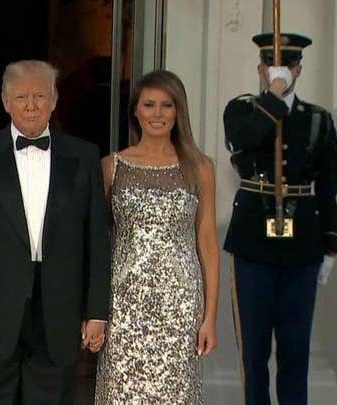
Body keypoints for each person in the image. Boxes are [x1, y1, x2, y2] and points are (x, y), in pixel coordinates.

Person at [0, 59, 111, 405]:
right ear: (5, 102)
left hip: (58, 313)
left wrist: (96, 311)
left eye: (39, 96)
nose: (31, 105)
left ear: (55, 99)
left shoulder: (84, 155)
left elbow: (96, 238)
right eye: (21, 97)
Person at [223, 33, 337, 405]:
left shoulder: (319, 120)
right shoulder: (242, 110)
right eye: (272, 66)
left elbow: (330, 185)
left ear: (298, 69)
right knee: (253, 351)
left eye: (287, 66)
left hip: (303, 241)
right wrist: (273, 94)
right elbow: (245, 139)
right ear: (260, 69)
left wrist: (331, 247)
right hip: (253, 241)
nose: (281, 72)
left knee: (295, 350)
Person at [95, 70, 219, 403]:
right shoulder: (111, 167)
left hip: (180, 306)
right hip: (124, 304)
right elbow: (97, 244)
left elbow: (206, 243)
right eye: (149, 105)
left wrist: (210, 317)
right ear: (135, 110)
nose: (158, 114)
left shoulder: (200, 167)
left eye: (167, 105)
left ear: (179, 112)